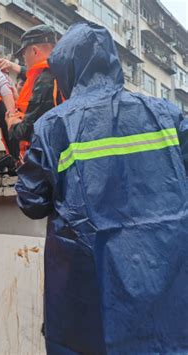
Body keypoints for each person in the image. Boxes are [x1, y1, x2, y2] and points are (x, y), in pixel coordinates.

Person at [15, 22, 188, 354]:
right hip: (166, 286)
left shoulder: (54, 125)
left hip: (87, 293)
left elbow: (32, 201)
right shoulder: (166, 115)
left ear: (67, 69)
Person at [0, 25, 63, 160]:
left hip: (51, 159)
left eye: (24, 53)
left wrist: (12, 123)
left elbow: (28, 131)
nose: (24, 59)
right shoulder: (61, 71)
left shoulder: (45, 80)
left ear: (34, 51)